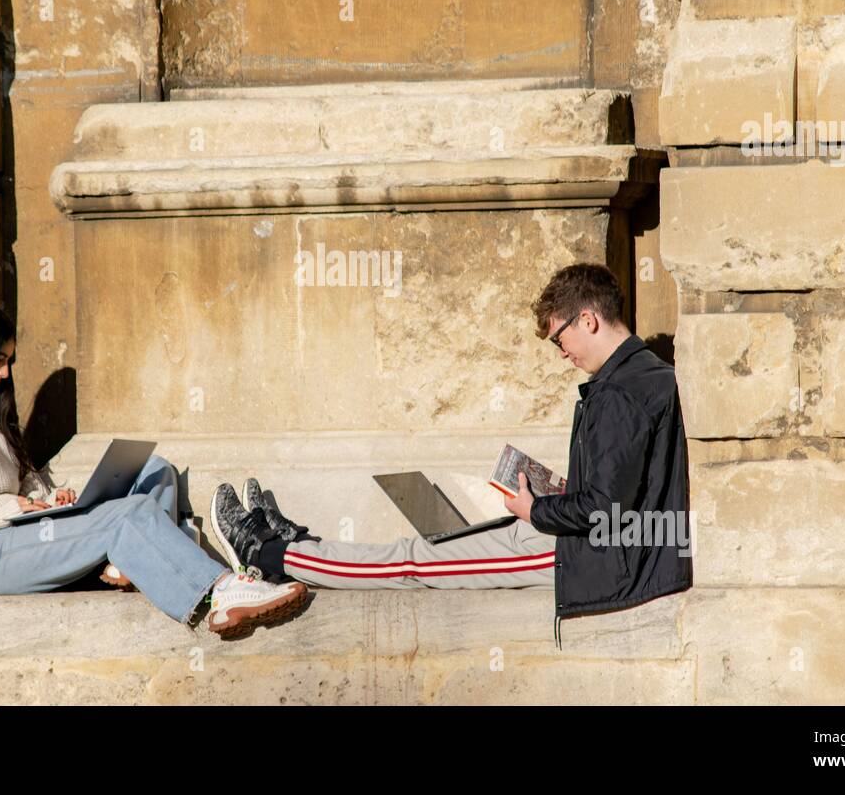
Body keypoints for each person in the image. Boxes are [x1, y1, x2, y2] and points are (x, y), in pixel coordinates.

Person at [211, 263, 693, 647]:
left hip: (584, 557)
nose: (561, 353)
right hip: (605, 548)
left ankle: (270, 552)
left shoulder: (616, 393)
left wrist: (536, 508)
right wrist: (561, 495)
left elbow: (603, 510)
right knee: (428, 547)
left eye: (559, 338)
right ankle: (300, 546)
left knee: (412, 563)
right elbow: (626, 487)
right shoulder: (649, 372)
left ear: (587, 318)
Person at [0, 296, 309, 639]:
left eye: (8, 362)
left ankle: (127, 562)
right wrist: (8, 509)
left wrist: (47, 498)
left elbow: (21, 483)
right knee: (125, 517)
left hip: (25, 534)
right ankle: (219, 593)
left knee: (156, 470)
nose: (4, 373)